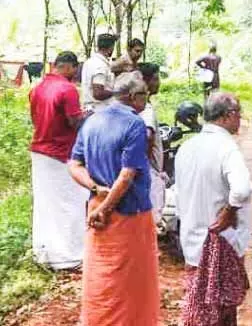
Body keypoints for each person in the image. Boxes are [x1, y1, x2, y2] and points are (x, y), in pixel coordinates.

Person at [68, 72, 159, 325]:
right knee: (132, 282)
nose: (146, 100)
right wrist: (107, 207)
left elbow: (74, 164)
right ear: (133, 97)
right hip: (128, 213)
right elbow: (127, 173)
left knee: (102, 276)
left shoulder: (92, 121)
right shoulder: (135, 124)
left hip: (96, 209)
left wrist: (96, 190)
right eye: (145, 95)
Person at [174, 93, 252, 325]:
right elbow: (241, 190)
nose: (240, 119)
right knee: (219, 310)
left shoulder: (187, 147)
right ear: (228, 116)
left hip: (191, 240)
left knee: (202, 304)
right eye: (238, 113)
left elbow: (179, 194)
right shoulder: (226, 148)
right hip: (221, 242)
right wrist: (230, 211)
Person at [29, 51, 87, 271]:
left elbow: (36, 118)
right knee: (71, 203)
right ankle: (69, 256)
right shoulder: (68, 89)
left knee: (46, 205)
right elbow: (74, 122)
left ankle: (45, 252)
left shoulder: (38, 88)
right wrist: (87, 117)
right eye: (75, 69)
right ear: (70, 67)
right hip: (61, 152)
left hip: (40, 150)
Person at [137, 63, 166, 227]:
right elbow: (147, 136)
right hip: (150, 170)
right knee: (151, 220)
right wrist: (145, 165)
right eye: (156, 78)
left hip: (145, 169)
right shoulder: (146, 110)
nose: (159, 82)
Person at [81, 33, 117, 113]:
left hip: (90, 109)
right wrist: (117, 92)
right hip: (99, 110)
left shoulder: (89, 61)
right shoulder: (100, 65)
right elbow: (98, 93)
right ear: (111, 47)